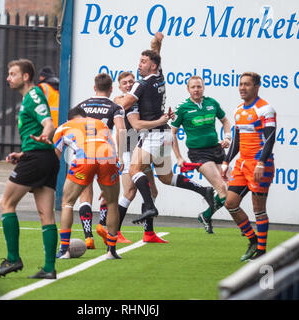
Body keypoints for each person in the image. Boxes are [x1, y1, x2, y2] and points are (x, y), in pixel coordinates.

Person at [115, 33, 215, 225]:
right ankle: (204, 190)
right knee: (166, 177)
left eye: (143, 62)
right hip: (164, 134)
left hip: (154, 135)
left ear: (152, 65)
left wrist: (114, 103)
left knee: (135, 169)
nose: (139, 64)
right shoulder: (158, 74)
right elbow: (156, 53)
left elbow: (124, 104)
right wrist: (156, 42)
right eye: (140, 60)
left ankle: (150, 206)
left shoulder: (141, 84)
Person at [0, 59, 59, 279]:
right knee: (46, 214)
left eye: (12, 74)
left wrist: (46, 134)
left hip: (38, 158)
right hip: (44, 157)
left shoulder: (34, 96)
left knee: (7, 204)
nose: (8, 78)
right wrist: (23, 154)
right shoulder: (29, 98)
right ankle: (49, 268)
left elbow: (48, 122)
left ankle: (13, 259)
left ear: (25, 76)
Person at [40, 106, 122, 259]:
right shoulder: (100, 123)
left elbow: (54, 158)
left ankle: (64, 250)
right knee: (112, 203)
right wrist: (106, 182)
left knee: (67, 203)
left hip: (84, 159)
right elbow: (112, 147)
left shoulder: (64, 127)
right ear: (85, 116)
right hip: (108, 157)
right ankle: (111, 250)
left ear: (70, 119)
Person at [98, 71, 167, 244]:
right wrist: (117, 157)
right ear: (120, 87)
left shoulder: (137, 100)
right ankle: (113, 231)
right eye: (125, 83)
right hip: (129, 150)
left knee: (153, 191)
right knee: (129, 192)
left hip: (143, 148)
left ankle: (148, 233)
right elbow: (113, 126)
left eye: (131, 82)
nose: (129, 85)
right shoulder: (119, 102)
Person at [221, 72, 276, 261]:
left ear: (256, 87)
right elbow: (236, 139)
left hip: (260, 164)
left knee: (258, 208)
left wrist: (261, 162)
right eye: (240, 84)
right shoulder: (238, 110)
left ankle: (262, 252)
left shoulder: (265, 109)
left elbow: (270, 138)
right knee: (230, 203)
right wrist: (226, 162)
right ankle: (253, 240)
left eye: (247, 84)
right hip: (242, 164)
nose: (242, 88)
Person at [171, 76, 232, 234]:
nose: (196, 89)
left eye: (199, 86)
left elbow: (225, 121)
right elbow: (172, 134)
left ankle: (205, 215)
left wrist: (227, 138)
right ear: (188, 89)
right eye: (193, 87)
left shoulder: (212, 103)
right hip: (199, 154)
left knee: (231, 190)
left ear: (203, 88)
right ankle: (244, 226)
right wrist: (178, 157)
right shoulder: (182, 108)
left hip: (217, 149)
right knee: (221, 188)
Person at [73, 73, 126, 249]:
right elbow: (121, 130)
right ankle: (102, 225)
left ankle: (88, 236)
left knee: (85, 194)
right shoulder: (115, 107)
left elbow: (70, 130)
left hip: (84, 154)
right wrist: (121, 154)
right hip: (104, 153)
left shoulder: (81, 107)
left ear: (94, 88)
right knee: (108, 194)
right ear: (111, 89)